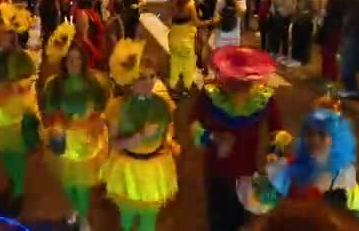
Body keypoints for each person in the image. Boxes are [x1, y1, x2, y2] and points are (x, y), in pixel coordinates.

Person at [189, 46, 286, 231]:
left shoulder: (262, 99)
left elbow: (278, 130)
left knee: (243, 221)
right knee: (218, 219)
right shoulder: (211, 95)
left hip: (247, 174)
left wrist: (274, 153)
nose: (239, 84)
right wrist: (213, 138)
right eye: (234, 77)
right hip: (216, 172)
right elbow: (194, 123)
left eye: (245, 79)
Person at [237, 95, 359, 222]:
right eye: (310, 132)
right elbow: (260, 207)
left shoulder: (345, 182)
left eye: (321, 134)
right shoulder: (287, 172)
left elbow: (356, 220)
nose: (314, 139)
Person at [101, 40, 179, 231]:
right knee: (127, 217)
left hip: (155, 169)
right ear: (131, 79)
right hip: (127, 169)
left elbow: (168, 128)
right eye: (142, 77)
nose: (149, 82)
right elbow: (114, 143)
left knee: (148, 221)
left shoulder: (163, 104)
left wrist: (170, 140)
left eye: (152, 76)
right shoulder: (117, 106)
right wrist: (137, 137)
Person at [40, 44, 110, 231]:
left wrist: (99, 120)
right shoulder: (55, 83)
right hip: (63, 139)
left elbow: (103, 107)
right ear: (63, 60)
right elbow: (50, 110)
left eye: (77, 58)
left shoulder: (93, 82)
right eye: (69, 58)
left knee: (81, 186)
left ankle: (84, 217)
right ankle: (75, 207)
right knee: (67, 183)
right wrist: (55, 126)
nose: (73, 62)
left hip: (86, 139)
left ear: (83, 60)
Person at [0, 48, 41, 212]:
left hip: (15, 135)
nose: (21, 82)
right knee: (9, 162)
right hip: (0, 133)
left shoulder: (25, 98)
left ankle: (18, 194)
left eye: (23, 79)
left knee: (16, 164)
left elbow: (33, 117)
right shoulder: (0, 88)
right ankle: (14, 186)